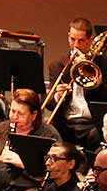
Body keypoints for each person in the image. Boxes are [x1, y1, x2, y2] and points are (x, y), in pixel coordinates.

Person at [46, 18, 107, 149]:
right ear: (68, 36)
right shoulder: (57, 65)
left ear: (90, 40)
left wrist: (99, 85)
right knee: (49, 131)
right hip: (66, 123)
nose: (75, 45)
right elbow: (49, 105)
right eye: (72, 39)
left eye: (81, 41)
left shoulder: (102, 64)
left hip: (92, 123)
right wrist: (57, 96)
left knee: (97, 134)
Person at [0, 88, 62, 191]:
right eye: (12, 111)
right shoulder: (0, 128)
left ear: (34, 115)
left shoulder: (49, 135)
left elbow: (55, 171)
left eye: (20, 114)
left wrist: (23, 163)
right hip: (0, 183)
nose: (14, 117)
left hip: (31, 187)